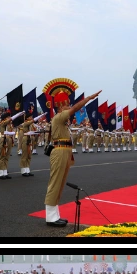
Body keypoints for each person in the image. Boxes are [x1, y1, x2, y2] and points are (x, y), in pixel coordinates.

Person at [44, 84, 102, 226]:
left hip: (65, 151)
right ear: (60, 107)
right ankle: (50, 217)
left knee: (60, 184)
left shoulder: (63, 122)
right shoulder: (58, 117)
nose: (69, 108)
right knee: (55, 183)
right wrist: (89, 98)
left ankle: (54, 215)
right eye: (66, 106)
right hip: (59, 151)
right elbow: (75, 109)